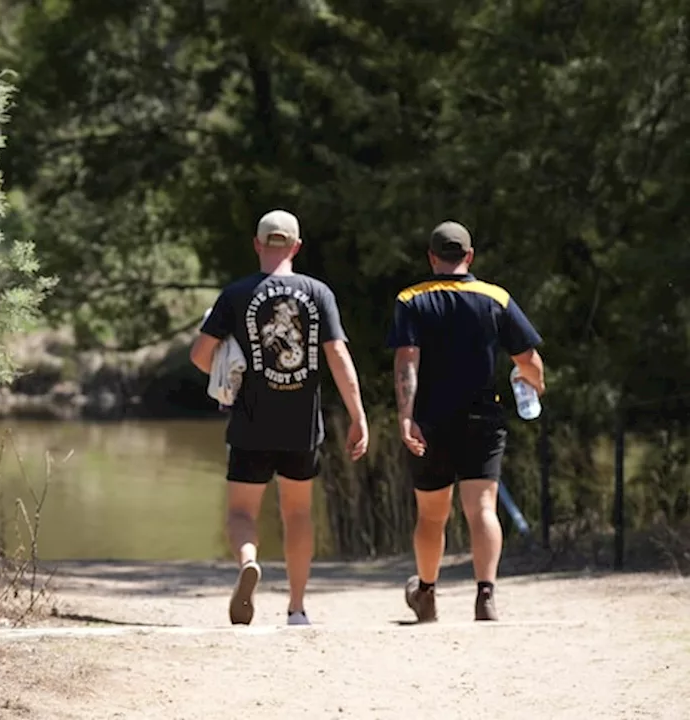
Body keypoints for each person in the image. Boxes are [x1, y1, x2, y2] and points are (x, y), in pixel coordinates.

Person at [191, 209, 369, 627]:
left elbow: (200, 355)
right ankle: (297, 608)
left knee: (240, 514)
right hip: (302, 426)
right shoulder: (318, 293)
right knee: (298, 515)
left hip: (251, 422)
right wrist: (358, 415)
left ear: (257, 244)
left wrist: (225, 374)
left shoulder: (235, 295)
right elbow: (338, 356)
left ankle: (249, 562)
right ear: (296, 246)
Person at [387, 221, 545, 623]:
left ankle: (426, 593)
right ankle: (485, 595)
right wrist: (534, 386)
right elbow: (528, 360)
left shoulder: (411, 300)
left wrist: (406, 417)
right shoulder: (495, 298)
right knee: (483, 508)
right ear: (469, 256)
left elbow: (407, 360)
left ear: (432, 258)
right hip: (483, 418)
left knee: (432, 514)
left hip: (431, 419)